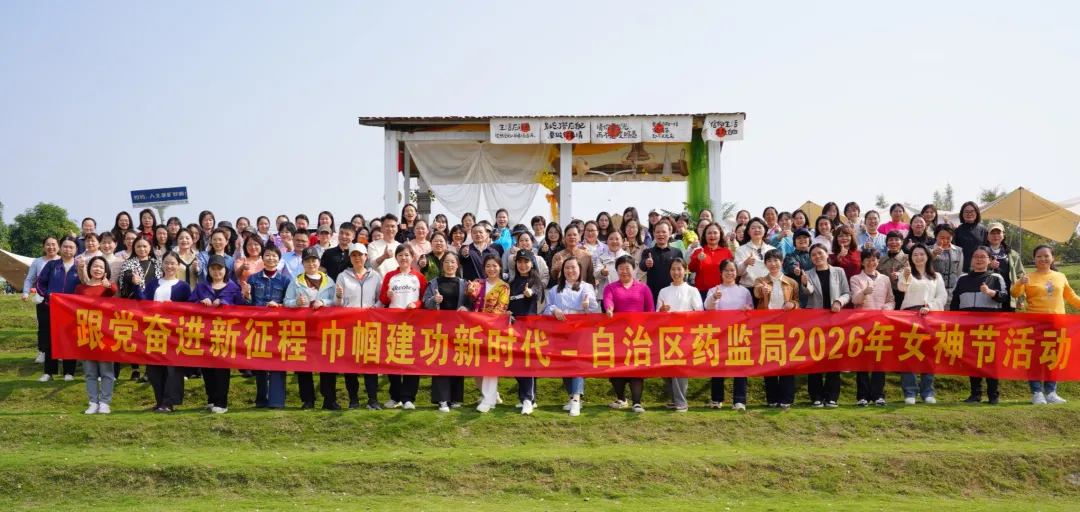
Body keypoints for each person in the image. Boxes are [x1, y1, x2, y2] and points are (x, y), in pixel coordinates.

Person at [1011, 245, 1080, 405]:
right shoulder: (1027, 277)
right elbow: (1015, 293)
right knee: (1034, 359)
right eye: (1039, 256)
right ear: (1034, 259)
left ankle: (1051, 393)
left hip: (1056, 324)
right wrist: (1020, 282)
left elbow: (1071, 297)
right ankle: (1037, 393)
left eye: (1046, 256)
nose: (1043, 259)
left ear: (1052, 258)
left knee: (1053, 358)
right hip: (1034, 325)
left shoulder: (1060, 276)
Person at [135, 252, 192, 412]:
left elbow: (189, 309)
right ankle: (159, 401)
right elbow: (143, 302)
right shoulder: (153, 283)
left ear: (178, 265)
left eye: (173, 263)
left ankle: (169, 403)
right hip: (154, 331)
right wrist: (137, 285)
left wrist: (174, 306)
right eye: (166, 262)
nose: (169, 266)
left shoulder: (183, 286)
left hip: (173, 333)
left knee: (173, 369)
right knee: (154, 369)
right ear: (162, 264)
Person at [952, 246, 1008, 405]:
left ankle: (993, 395)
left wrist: (991, 292)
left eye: (983, 256)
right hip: (968, 327)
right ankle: (975, 394)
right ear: (971, 260)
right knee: (973, 360)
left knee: (990, 360)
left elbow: (1005, 297)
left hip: (990, 328)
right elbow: (955, 303)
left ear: (989, 260)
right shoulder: (963, 279)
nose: (979, 259)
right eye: (976, 256)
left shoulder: (995, 277)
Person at [333, 243, 385, 410]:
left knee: (371, 364)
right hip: (350, 326)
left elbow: (380, 298)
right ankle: (353, 400)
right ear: (350, 258)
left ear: (366, 257)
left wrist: (373, 310)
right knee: (350, 366)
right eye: (354, 255)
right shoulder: (342, 276)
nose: (357, 258)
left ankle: (372, 400)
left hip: (370, 326)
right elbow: (337, 304)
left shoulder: (375, 276)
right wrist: (339, 297)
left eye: (360, 255)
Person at [547, 257, 600, 416]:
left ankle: (577, 399)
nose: (570, 271)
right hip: (560, 331)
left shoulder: (586, 287)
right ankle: (571, 396)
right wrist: (554, 309)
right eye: (567, 268)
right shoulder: (555, 289)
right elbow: (546, 308)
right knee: (564, 363)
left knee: (577, 363)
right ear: (563, 271)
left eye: (573, 267)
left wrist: (586, 304)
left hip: (579, 332)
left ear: (579, 270)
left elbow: (592, 305)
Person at [190, 254, 242, 414]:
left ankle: (221, 402)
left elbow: (241, 308)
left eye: (219, 268)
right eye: (213, 268)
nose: (216, 271)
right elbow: (189, 304)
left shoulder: (233, 287)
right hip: (205, 333)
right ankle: (211, 400)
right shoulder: (201, 287)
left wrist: (225, 304)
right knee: (207, 368)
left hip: (225, 333)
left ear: (225, 270)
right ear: (208, 270)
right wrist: (199, 303)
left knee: (221, 368)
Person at [897, 244, 947, 405]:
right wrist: (906, 276)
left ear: (927, 256)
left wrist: (930, 306)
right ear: (911, 258)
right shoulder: (906, 272)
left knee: (928, 354)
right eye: (915, 255)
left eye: (922, 254)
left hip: (929, 315)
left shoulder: (936, 276)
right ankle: (910, 392)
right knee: (908, 353)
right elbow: (901, 287)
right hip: (909, 316)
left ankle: (927, 392)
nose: (919, 257)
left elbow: (942, 295)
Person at [379, 245, 427, 409]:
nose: (404, 258)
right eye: (400, 255)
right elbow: (383, 300)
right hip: (393, 324)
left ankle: (408, 398)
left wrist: (416, 304)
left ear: (412, 257)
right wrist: (387, 295)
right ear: (396, 258)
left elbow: (425, 300)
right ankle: (395, 396)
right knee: (392, 359)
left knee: (411, 360)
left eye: (407, 255)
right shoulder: (390, 276)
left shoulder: (419, 277)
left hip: (413, 324)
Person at [242, 244, 290, 409]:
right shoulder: (253, 279)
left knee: (278, 362)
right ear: (262, 258)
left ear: (279, 259)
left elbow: (289, 303)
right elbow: (248, 306)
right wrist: (247, 296)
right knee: (260, 364)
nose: (271, 258)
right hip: (258, 327)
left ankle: (276, 400)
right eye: (268, 255)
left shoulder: (285, 280)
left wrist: (279, 305)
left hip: (278, 327)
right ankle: (261, 399)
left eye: (274, 255)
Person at [802, 244, 851, 407]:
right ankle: (816, 396)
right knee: (814, 358)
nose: (817, 256)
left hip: (834, 320)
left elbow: (847, 293)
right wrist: (804, 284)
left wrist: (838, 301)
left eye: (820, 253)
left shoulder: (839, 271)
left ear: (827, 254)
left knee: (833, 357)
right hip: (815, 321)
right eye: (813, 255)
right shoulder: (808, 274)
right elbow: (808, 292)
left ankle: (831, 396)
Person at [422, 251, 471, 412]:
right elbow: (425, 304)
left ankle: (454, 398)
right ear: (442, 265)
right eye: (447, 262)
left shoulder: (464, 284)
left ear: (457, 265)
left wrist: (467, 307)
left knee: (457, 360)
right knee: (441, 360)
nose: (450, 265)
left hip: (458, 328)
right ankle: (442, 399)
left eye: (453, 262)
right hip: (439, 329)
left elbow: (471, 304)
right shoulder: (434, 283)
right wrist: (434, 300)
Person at [704, 260, 754, 410]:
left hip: (739, 333)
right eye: (726, 270)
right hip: (719, 333)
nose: (729, 273)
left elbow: (751, 310)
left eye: (732, 270)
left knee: (740, 366)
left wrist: (747, 310)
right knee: (718, 365)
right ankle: (716, 399)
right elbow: (707, 308)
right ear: (721, 273)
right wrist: (715, 297)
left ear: (737, 272)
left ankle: (739, 400)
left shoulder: (744, 291)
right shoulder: (714, 290)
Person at [656, 258, 704, 412]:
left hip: (685, 335)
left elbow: (699, 312)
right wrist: (662, 311)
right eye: (673, 269)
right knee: (666, 370)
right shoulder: (664, 291)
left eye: (679, 269)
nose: (676, 272)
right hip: (667, 335)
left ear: (685, 271)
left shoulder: (692, 290)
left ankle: (681, 401)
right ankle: (674, 399)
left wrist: (683, 316)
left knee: (679, 369)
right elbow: (656, 315)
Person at [849, 247, 895, 406]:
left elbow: (891, 299)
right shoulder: (856, 279)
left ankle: (878, 395)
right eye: (867, 260)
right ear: (862, 262)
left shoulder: (885, 279)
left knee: (879, 359)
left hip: (881, 324)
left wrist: (888, 307)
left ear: (878, 261)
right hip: (862, 324)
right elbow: (855, 300)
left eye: (874, 260)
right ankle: (862, 396)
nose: (871, 263)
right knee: (862, 360)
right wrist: (864, 293)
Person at [754, 249, 799, 409]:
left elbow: (797, 302)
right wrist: (763, 290)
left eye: (776, 260)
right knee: (769, 362)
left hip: (786, 326)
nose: (773, 264)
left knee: (787, 362)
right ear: (765, 264)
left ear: (782, 262)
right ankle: (772, 398)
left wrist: (792, 304)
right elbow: (757, 293)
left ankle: (787, 398)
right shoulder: (760, 280)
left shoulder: (791, 282)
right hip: (767, 326)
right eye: (769, 261)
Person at [74, 256, 117, 414]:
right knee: (90, 371)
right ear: (89, 268)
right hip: (86, 333)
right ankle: (93, 402)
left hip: (105, 333)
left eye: (101, 267)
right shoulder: (80, 288)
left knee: (107, 371)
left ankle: (105, 402)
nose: (97, 269)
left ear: (105, 271)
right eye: (95, 266)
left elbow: (114, 291)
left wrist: (108, 286)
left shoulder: (108, 288)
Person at [35, 237, 81, 382]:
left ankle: (69, 372)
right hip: (51, 307)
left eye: (71, 247)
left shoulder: (80, 267)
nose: (68, 249)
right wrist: (47, 295)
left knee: (70, 340)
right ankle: (49, 372)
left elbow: (84, 285)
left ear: (76, 250)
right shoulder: (52, 265)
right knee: (50, 340)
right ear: (60, 248)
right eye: (65, 246)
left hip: (71, 310)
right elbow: (40, 282)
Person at [470, 254, 511, 413]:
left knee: (490, 364)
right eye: (488, 266)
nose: (491, 269)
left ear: (500, 267)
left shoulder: (504, 287)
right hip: (476, 330)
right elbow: (471, 296)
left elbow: (500, 308)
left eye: (494, 265)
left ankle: (489, 400)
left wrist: (486, 322)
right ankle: (488, 394)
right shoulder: (479, 283)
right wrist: (470, 290)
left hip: (493, 329)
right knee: (477, 364)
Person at [508, 249, 543, 414]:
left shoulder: (535, 281)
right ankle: (528, 398)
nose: (522, 265)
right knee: (516, 364)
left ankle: (528, 399)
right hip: (514, 328)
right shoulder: (512, 283)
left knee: (527, 363)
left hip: (529, 329)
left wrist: (530, 292)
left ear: (532, 263)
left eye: (526, 262)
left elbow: (536, 291)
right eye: (520, 262)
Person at [24, 237, 60, 362]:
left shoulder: (62, 261)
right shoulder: (37, 262)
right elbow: (30, 278)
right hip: (42, 298)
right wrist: (25, 292)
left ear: (58, 247)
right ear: (43, 247)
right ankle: (42, 352)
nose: (51, 247)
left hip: (60, 300)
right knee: (44, 326)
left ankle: (59, 352)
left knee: (59, 327)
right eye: (48, 244)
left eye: (54, 244)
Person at [639, 220, 683, 304]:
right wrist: (646, 263)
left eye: (664, 232)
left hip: (673, 292)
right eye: (658, 232)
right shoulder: (648, 252)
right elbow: (642, 266)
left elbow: (682, 271)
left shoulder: (677, 252)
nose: (661, 234)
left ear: (670, 233)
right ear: (653, 233)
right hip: (653, 294)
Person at [689, 223, 734, 301]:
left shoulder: (726, 252)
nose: (712, 235)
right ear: (704, 236)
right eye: (709, 233)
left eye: (715, 233)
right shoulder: (698, 252)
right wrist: (697, 259)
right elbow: (691, 269)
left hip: (722, 291)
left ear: (720, 235)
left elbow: (732, 271)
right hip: (702, 292)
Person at [985, 223, 1021, 311]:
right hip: (986, 295)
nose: (995, 236)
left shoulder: (1012, 254)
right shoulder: (981, 252)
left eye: (998, 233)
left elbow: (1019, 276)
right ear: (987, 236)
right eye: (992, 233)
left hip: (1008, 297)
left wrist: (1020, 298)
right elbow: (972, 271)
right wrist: (989, 266)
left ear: (1003, 235)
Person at [735, 218, 776, 295]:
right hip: (748, 290)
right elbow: (738, 272)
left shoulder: (772, 250)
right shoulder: (741, 250)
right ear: (748, 231)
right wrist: (745, 263)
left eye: (759, 227)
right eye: (753, 228)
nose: (757, 230)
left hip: (769, 289)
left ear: (765, 230)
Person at [930, 224, 963, 307]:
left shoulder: (958, 250)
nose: (945, 240)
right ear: (936, 236)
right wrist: (933, 253)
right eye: (942, 238)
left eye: (948, 238)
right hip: (934, 290)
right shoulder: (928, 249)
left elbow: (958, 271)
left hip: (952, 290)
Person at [783, 229, 814, 307]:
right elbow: (790, 264)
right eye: (799, 238)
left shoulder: (815, 254)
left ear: (809, 240)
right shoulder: (789, 256)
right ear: (794, 241)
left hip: (816, 292)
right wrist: (795, 269)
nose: (802, 240)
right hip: (799, 295)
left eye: (805, 237)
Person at [878, 231, 909, 307]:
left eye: (896, 239)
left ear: (902, 242)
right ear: (886, 242)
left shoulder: (907, 258)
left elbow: (906, 269)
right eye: (890, 240)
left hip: (901, 294)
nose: (893, 242)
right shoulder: (881, 260)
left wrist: (899, 275)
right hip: (884, 294)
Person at [954, 201, 988, 272]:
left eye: (972, 211)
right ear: (962, 214)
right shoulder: (957, 230)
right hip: (961, 268)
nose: (969, 214)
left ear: (977, 213)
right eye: (966, 212)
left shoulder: (983, 230)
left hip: (979, 268)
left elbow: (987, 249)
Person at [593, 229, 627, 297]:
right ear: (607, 241)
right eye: (611, 239)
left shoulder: (628, 258)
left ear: (622, 241)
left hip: (624, 296)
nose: (614, 241)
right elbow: (596, 274)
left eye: (617, 239)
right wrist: (602, 272)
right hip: (606, 296)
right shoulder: (601, 258)